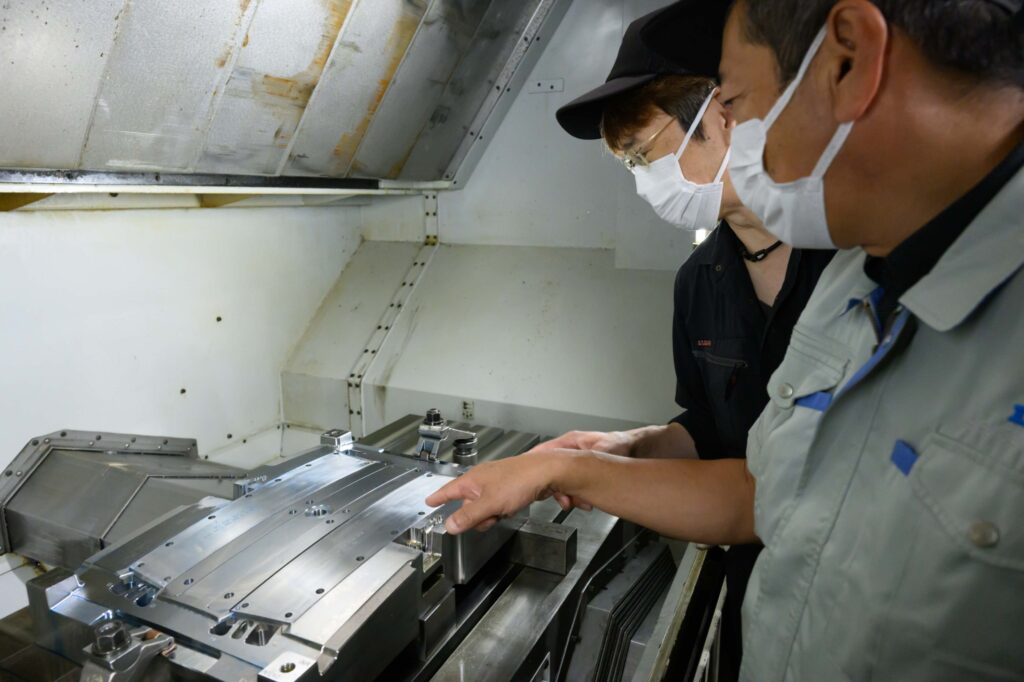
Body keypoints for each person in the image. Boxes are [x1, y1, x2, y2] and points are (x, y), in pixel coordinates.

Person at [428, 0, 1024, 679]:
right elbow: (760, 487)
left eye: (739, 102)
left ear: (850, 61)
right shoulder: (849, 281)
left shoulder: (854, 258)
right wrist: (608, 456)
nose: (746, 134)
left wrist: (573, 472)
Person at [552, 9, 833, 680]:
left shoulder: (852, 255)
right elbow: (710, 427)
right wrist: (633, 447)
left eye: (644, 154)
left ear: (726, 114)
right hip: (758, 605)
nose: (643, 180)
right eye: (629, 165)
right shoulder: (699, 281)